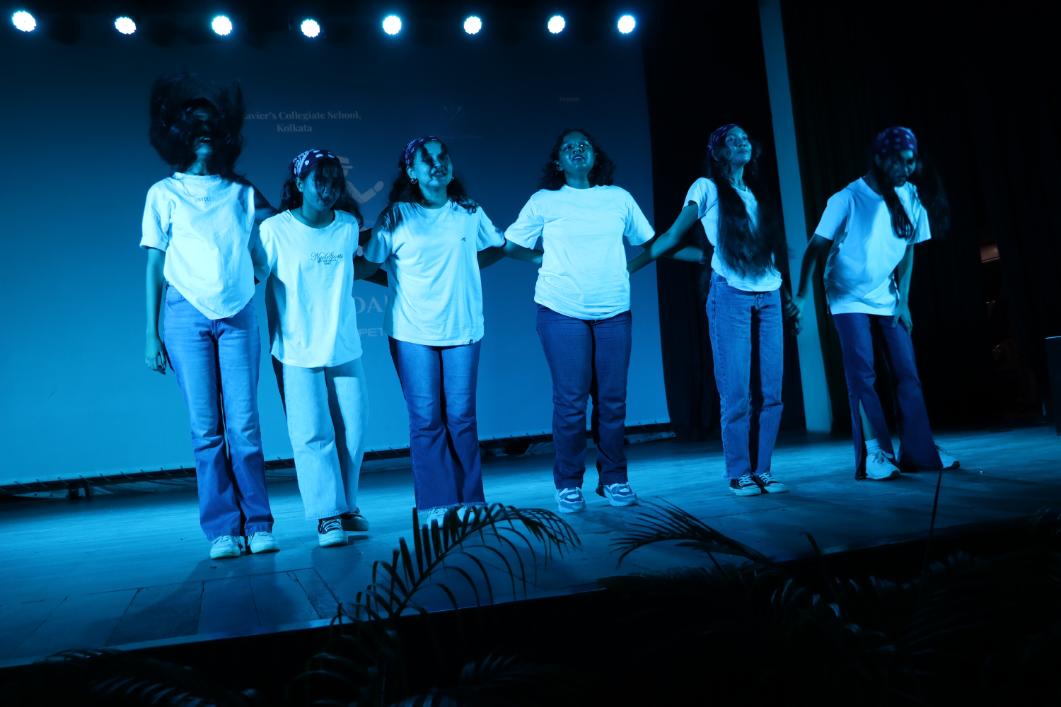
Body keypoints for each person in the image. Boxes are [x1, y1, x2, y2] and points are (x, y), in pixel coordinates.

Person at [360, 137, 536, 526]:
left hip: (463, 328)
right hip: (411, 331)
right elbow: (370, 263)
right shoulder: (396, 215)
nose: (437, 164)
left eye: (443, 157)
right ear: (412, 171)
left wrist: (531, 257)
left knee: (461, 417)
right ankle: (435, 503)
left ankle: (470, 499)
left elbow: (498, 247)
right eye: (427, 160)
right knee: (426, 418)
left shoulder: (468, 212)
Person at [141, 74, 278, 559]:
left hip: (237, 314)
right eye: (192, 124)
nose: (202, 131)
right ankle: (222, 528)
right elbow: (155, 265)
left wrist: (249, 277)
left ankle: (258, 523)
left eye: (209, 124)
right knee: (205, 430)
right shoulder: (163, 193)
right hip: (184, 317)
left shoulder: (241, 192)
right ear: (175, 132)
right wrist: (151, 334)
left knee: (245, 427)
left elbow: (266, 246)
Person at [628, 124, 794, 496]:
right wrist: (627, 269)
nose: (742, 142)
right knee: (736, 390)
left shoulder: (755, 193)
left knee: (772, 391)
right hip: (730, 295)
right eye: (732, 140)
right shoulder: (705, 189)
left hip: (768, 294)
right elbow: (671, 237)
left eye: (745, 138)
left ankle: (764, 469)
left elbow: (767, 253)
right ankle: (739, 472)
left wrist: (784, 295)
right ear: (717, 153)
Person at [793, 126, 959, 480]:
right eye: (900, 161)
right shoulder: (847, 198)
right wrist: (802, 297)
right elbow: (814, 249)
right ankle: (876, 452)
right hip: (847, 296)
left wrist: (904, 301)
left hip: (887, 296)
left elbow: (908, 248)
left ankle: (920, 450)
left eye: (911, 161)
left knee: (906, 372)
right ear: (881, 159)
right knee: (862, 374)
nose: (906, 168)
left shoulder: (911, 195)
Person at [505, 129, 654, 514]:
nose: (577, 150)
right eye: (568, 147)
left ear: (595, 156)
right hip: (561, 310)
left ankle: (614, 478)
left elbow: (650, 244)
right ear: (557, 161)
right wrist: (540, 259)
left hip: (614, 311)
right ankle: (569, 483)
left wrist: (626, 268)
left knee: (612, 401)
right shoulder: (544, 200)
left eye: (584, 145)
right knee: (571, 403)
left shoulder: (618, 197)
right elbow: (511, 245)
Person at [256, 149, 373, 547]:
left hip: (344, 344)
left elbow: (358, 269)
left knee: (353, 430)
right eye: (318, 181)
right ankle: (326, 515)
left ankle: (346, 506)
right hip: (296, 349)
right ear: (299, 183)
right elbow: (254, 276)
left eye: (334, 182)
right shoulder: (275, 230)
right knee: (312, 434)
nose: (327, 189)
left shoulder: (347, 226)